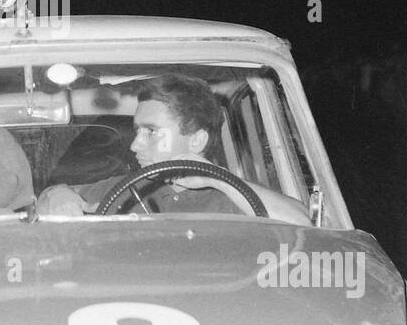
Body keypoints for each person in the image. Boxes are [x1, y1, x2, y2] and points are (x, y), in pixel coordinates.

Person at [37, 72, 310, 222]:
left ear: (197, 140)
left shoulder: (238, 200)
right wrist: (58, 193)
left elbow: (303, 223)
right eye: (137, 131)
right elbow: (54, 197)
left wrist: (222, 181)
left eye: (151, 131)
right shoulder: (125, 189)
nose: (134, 145)